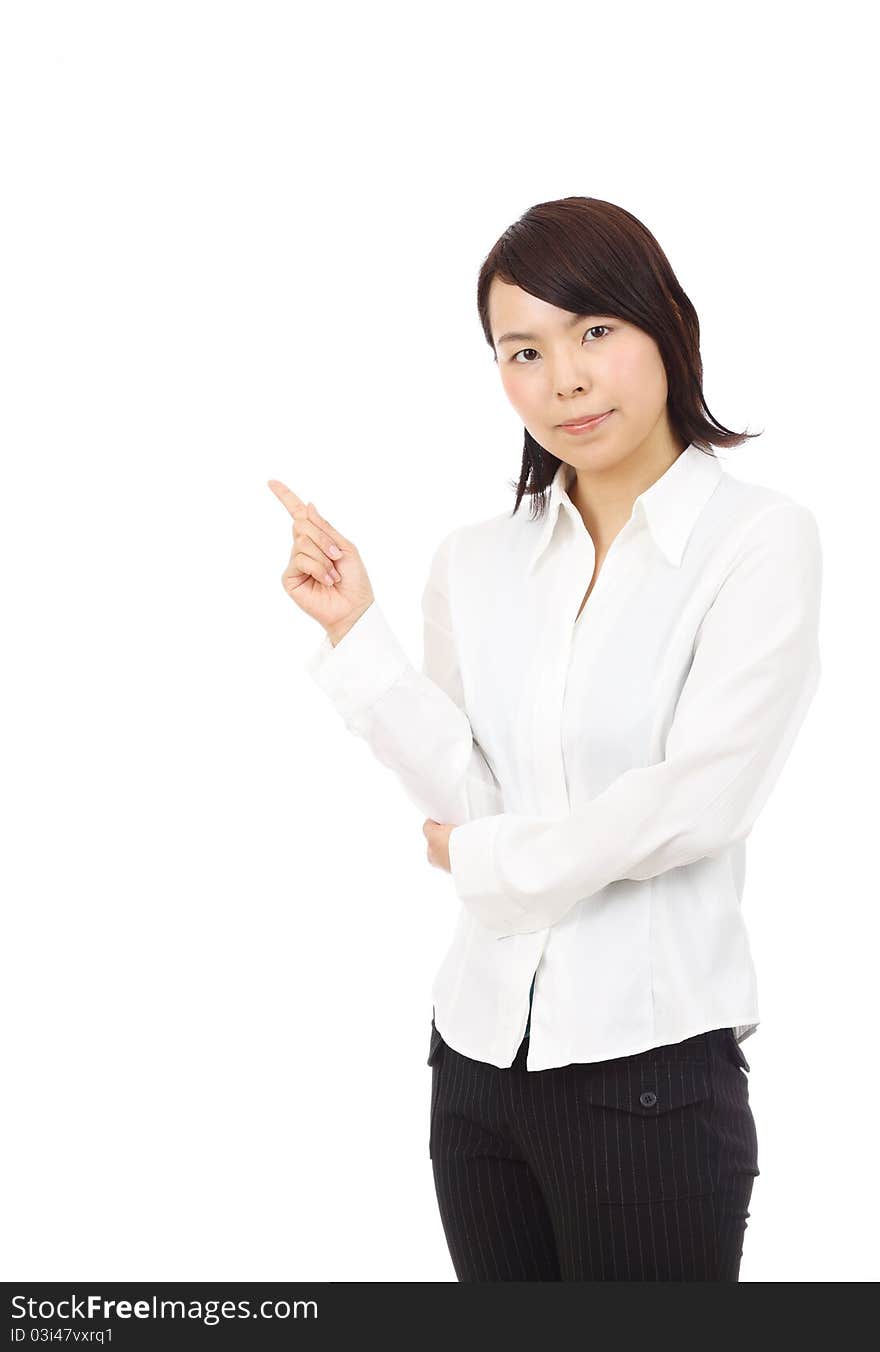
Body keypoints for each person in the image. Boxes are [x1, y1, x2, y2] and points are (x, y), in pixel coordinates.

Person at [268, 196, 823, 1281]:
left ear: (665, 324)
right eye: (523, 349)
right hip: (474, 1064)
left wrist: (486, 862)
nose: (562, 377)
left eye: (594, 331)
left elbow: (697, 799)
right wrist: (352, 628)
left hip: (650, 1075)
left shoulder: (758, 541)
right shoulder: (476, 558)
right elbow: (469, 791)